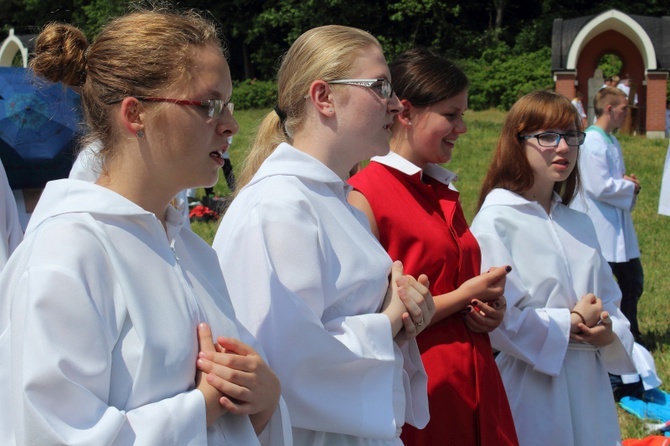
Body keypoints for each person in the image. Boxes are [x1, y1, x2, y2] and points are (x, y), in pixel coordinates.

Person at [0, 9, 291, 445]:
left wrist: (264, 398)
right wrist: (203, 406)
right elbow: (50, 433)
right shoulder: (66, 253)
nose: (230, 124)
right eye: (209, 105)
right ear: (135, 114)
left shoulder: (192, 252)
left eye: (228, 105)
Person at [213, 25, 435, 445]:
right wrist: (388, 319)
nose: (396, 104)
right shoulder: (279, 207)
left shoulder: (335, 200)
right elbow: (281, 363)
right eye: (381, 86)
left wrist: (405, 318)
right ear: (324, 97)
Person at [347, 47, 517, 446]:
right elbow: (375, 317)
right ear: (405, 113)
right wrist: (464, 296)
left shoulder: (440, 189)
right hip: (423, 391)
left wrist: (487, 309)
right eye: (451, 115)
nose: (462, 128)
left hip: (475, 378)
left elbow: (455, 277)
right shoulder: (365, 194)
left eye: (463, 115)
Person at [470, 90, 635, 446]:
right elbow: (498, 321)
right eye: (547, 136)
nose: (563, 148)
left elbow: (611, 303)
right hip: (533, 385)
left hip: (590, 383)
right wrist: (570, 323)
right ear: (517, 141)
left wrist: (607, 332)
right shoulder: (496, 221)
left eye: (572, 136)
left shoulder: (580, 222)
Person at [569, 86, 644, 343]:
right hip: (600, 223)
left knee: (632, 282)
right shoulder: (592, 141)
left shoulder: (611, 140)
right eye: (624, 108)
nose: (627, 114)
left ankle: (630, 331)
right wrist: (629, 186)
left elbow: (611, 179)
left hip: (617, 222)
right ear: (610, 108)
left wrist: (624, 182)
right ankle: (614, 332)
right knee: (607, 284)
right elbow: (598, 185)